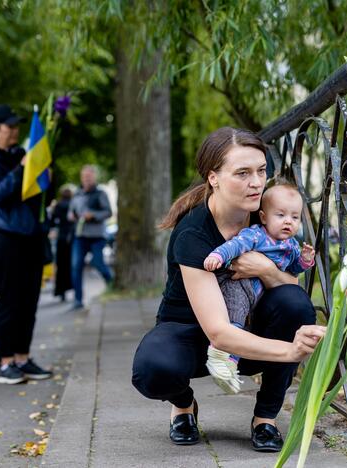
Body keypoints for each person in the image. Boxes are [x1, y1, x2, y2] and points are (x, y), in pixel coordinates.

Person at [131, 127, 326, 452]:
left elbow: (293, 290)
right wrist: (291, 352)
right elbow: (219, 333)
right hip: (193, 333)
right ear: (214, 178)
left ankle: (265, 418)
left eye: (262, 170)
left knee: (295, 305)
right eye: (243, 173)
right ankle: (183, 405)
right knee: (153, 368)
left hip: (252, 325)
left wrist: (264, 269)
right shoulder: (194, 233)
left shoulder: (268, 218)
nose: (256, 182)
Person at [202, 181, 315, 393]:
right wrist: (219, 255)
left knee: (244, 317)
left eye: (294, 217)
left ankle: (229, 362)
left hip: (259, 297)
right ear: (264, 217)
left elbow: (293, 271)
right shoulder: (256, 235)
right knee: (236, 315)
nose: (288, 222)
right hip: (239, 284)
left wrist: (305, 260)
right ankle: (223, 358)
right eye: (280, 215)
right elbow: (235, 245)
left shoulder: (291, 246)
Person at [0, 104, 52, 384]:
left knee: (28, 301)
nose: (15, 131)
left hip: (28, 237)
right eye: (9, 126)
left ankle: (22, 357)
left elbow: (36, 198)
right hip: (0, 237)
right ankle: (6, 362)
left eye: (17, 126)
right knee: (7, 301)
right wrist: (22, 170)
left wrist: (46, 178)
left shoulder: (23, 154)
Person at [68, 165, 113, 309]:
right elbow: (71, 212)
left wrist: (93, 215)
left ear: (94, 177)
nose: (86, 179)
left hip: (97, 236)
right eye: (84, 176)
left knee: (98, 263)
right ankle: (78, 300)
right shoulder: (77, 194)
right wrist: (71, 216)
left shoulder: (101, 193)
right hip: (80, 235)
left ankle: (112, 284)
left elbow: (108, 212)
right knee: (76, 266)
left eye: (89, 176)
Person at [50, 185, 74, 301]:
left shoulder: (58, 205)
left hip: (61, 237)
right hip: (71, 236)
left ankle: (61, 290)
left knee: (60, 264)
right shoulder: (72, 204)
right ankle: (73, 289)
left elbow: (53, 221)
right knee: (71, 264)